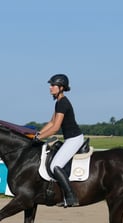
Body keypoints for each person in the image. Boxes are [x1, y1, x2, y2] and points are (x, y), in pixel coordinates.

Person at [34, 74, 84, 207]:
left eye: (52, 85)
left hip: (74, 139)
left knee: (55, 166)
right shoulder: (59, 102)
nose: (50, 88)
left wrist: (39, 137)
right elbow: (51, 122)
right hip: (71, 138)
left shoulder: (63, 103)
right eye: (50, 85)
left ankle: (71, 197)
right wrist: (38, 133)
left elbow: (55, 128)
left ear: (61, 88)